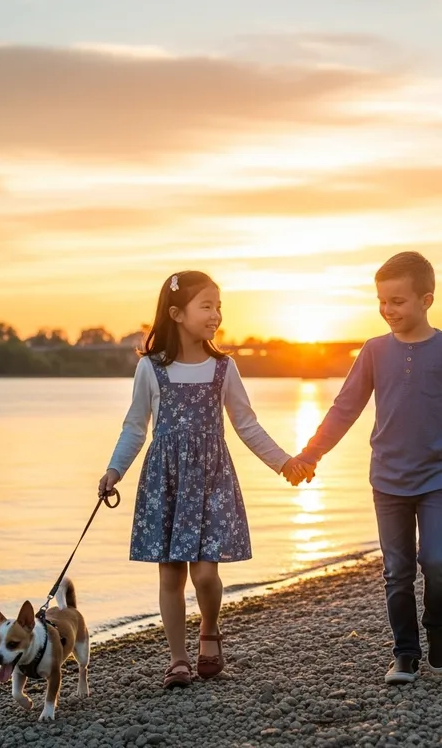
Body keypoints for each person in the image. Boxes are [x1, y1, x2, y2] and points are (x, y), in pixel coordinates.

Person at [292, 252, 442, 684]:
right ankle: (405, 653)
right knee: (398, 570)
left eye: (398, 301)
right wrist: (311, 453)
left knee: (437, 560)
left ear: (426, 300)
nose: (388, 310)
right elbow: (344, 408)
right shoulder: (373, 351)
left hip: (438, 477)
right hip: (387, 479)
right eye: (381, 301)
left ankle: (437, 627)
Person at [99, 271, 310, 689]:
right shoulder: (150, 369)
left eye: (219, 307)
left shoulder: (222, 367)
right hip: (166, 481)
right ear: (176, 313)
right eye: (207, 306)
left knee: (206, 575)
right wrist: (113, 470)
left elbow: (247, 425)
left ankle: (209, 630)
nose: (216, 315)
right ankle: (178, 660)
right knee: (171, 575)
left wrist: (284, 462)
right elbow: (135, 428)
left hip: (212, 480)